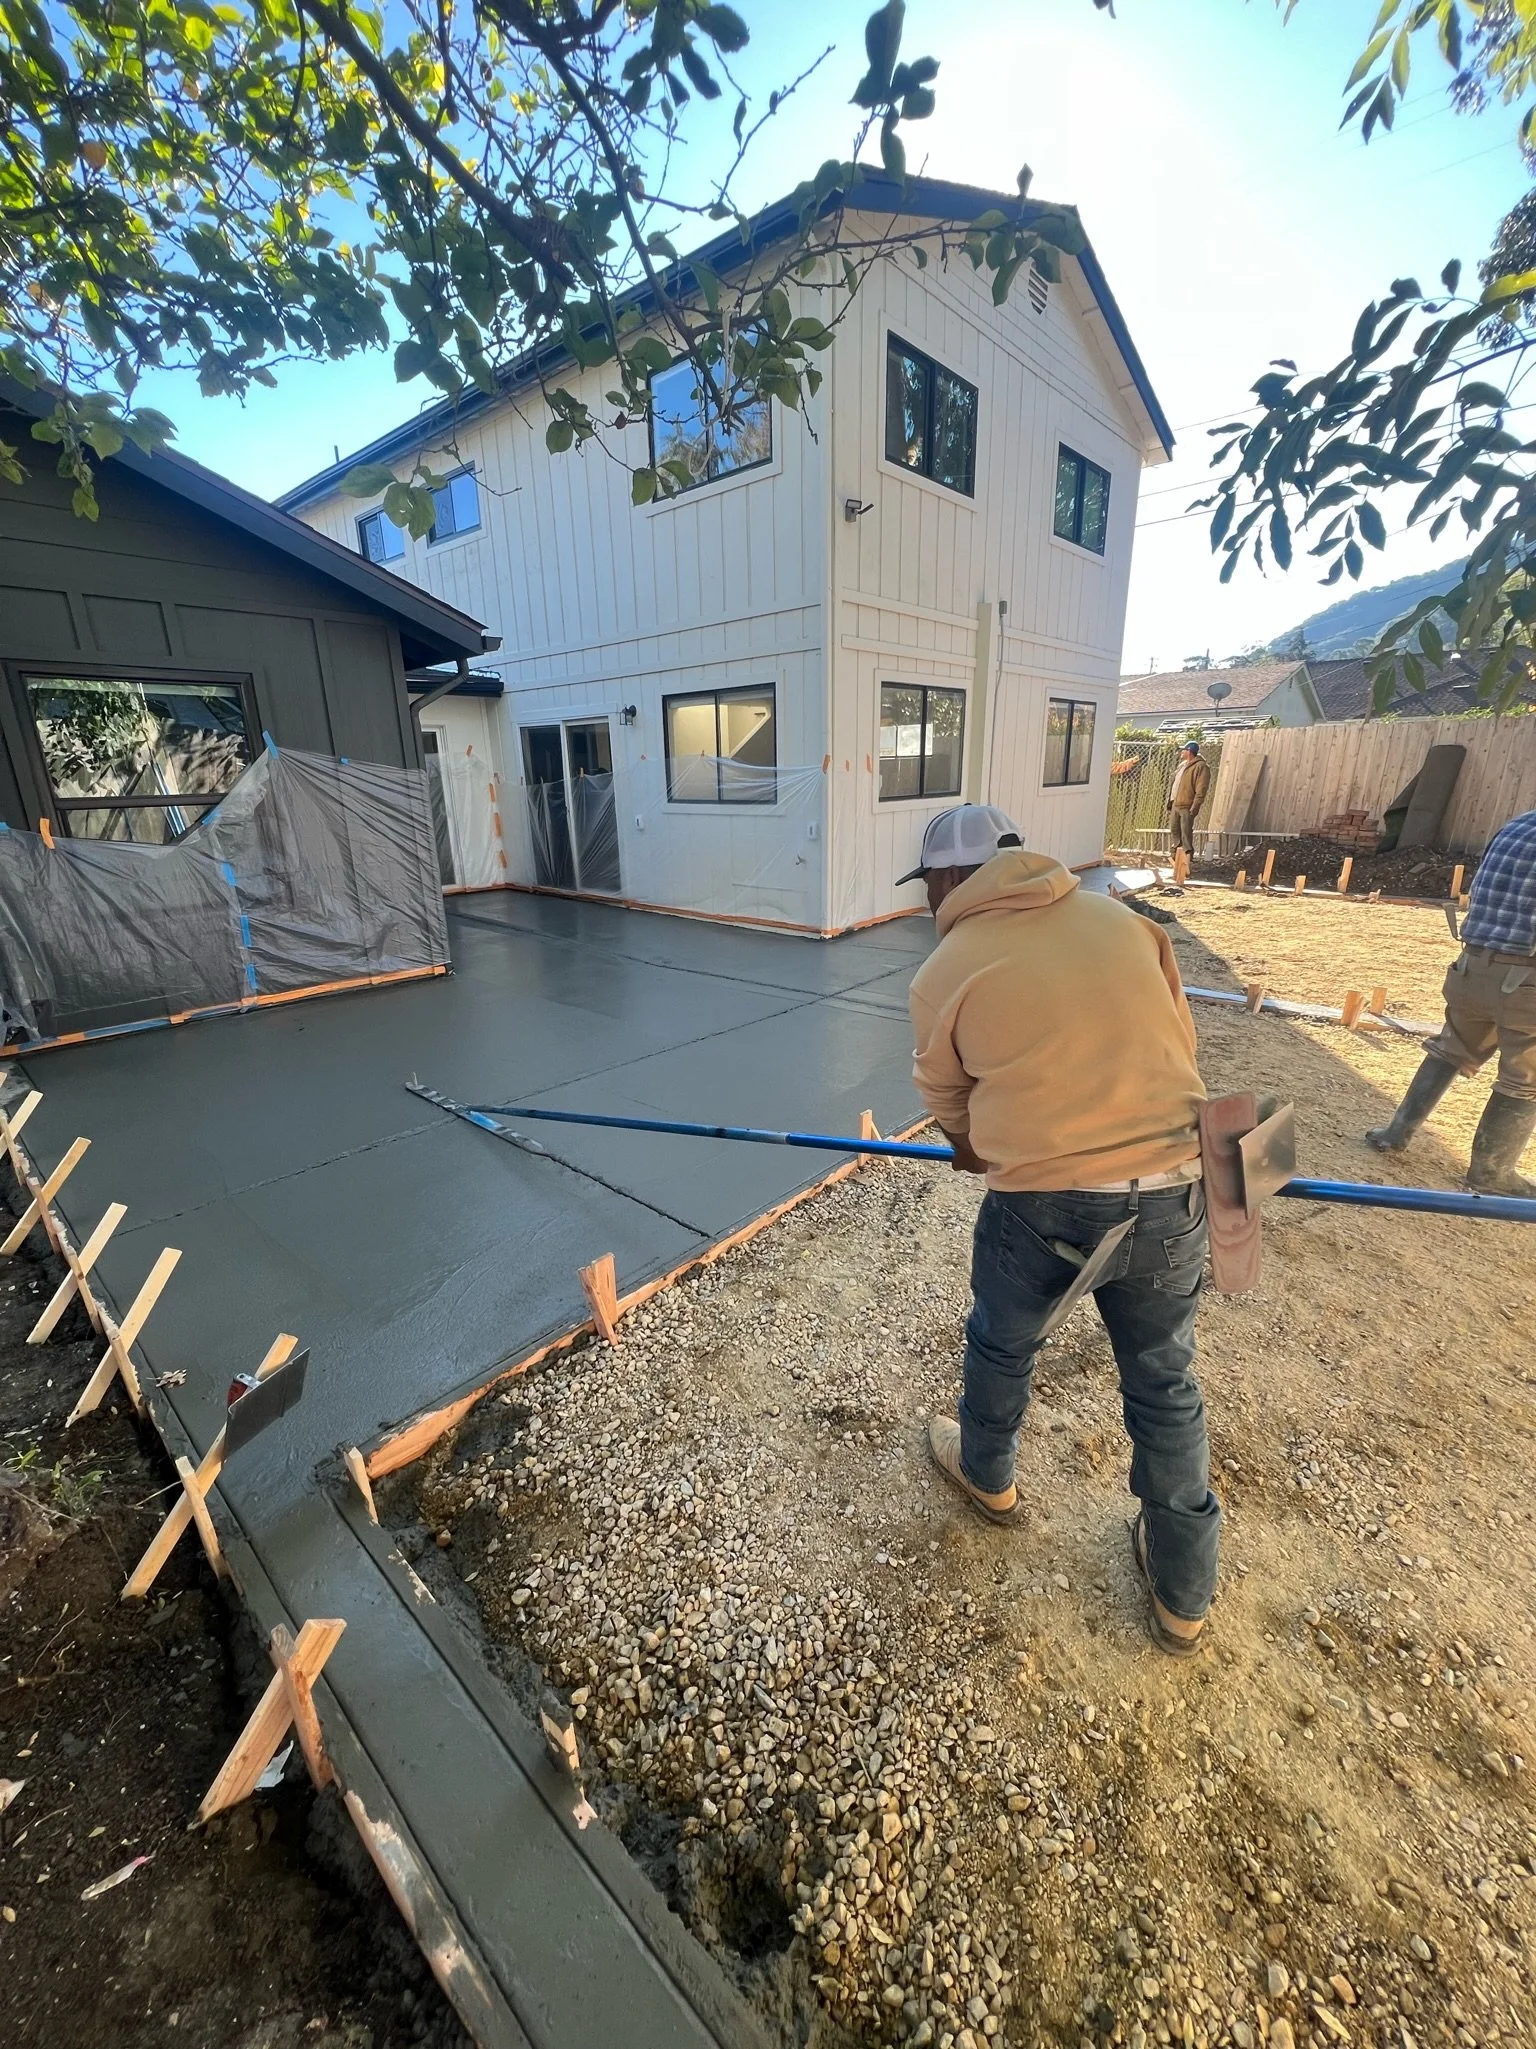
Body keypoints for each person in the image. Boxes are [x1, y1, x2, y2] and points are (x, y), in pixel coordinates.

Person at [900, 804, 1220, 1656]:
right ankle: (1185, 1593)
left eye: (926, 883)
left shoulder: (946, 969)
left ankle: (987, 1475)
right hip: (1176, 1189)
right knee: (1164, 1383)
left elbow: (947, 1102)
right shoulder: (1130, 925)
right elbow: (1182, 1049)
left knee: (1004, 1340)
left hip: (1045, 1200)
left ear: (944, 879)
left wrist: (972, 1152)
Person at [1366, 806, 1536, 1196]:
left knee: (1450, 1049)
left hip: (1472, 964)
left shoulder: (1518, 824)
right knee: (1525, 1078)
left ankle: (1395, 1133)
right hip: (1527, 976)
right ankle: (1492, 1173)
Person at [1166, 741, 1210, 858]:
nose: (1181, 752)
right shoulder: (1182, 765)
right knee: (1174, 830)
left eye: (1183, 750)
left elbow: (1201, 789)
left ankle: (1187, 858)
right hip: (1176, 802)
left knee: (1185, 832)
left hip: (1187, 805)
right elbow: (1176, 784)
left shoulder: (1201, 767)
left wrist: (1195, 806)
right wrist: (1171, 802)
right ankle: (1176, 856)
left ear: (1189, 751)